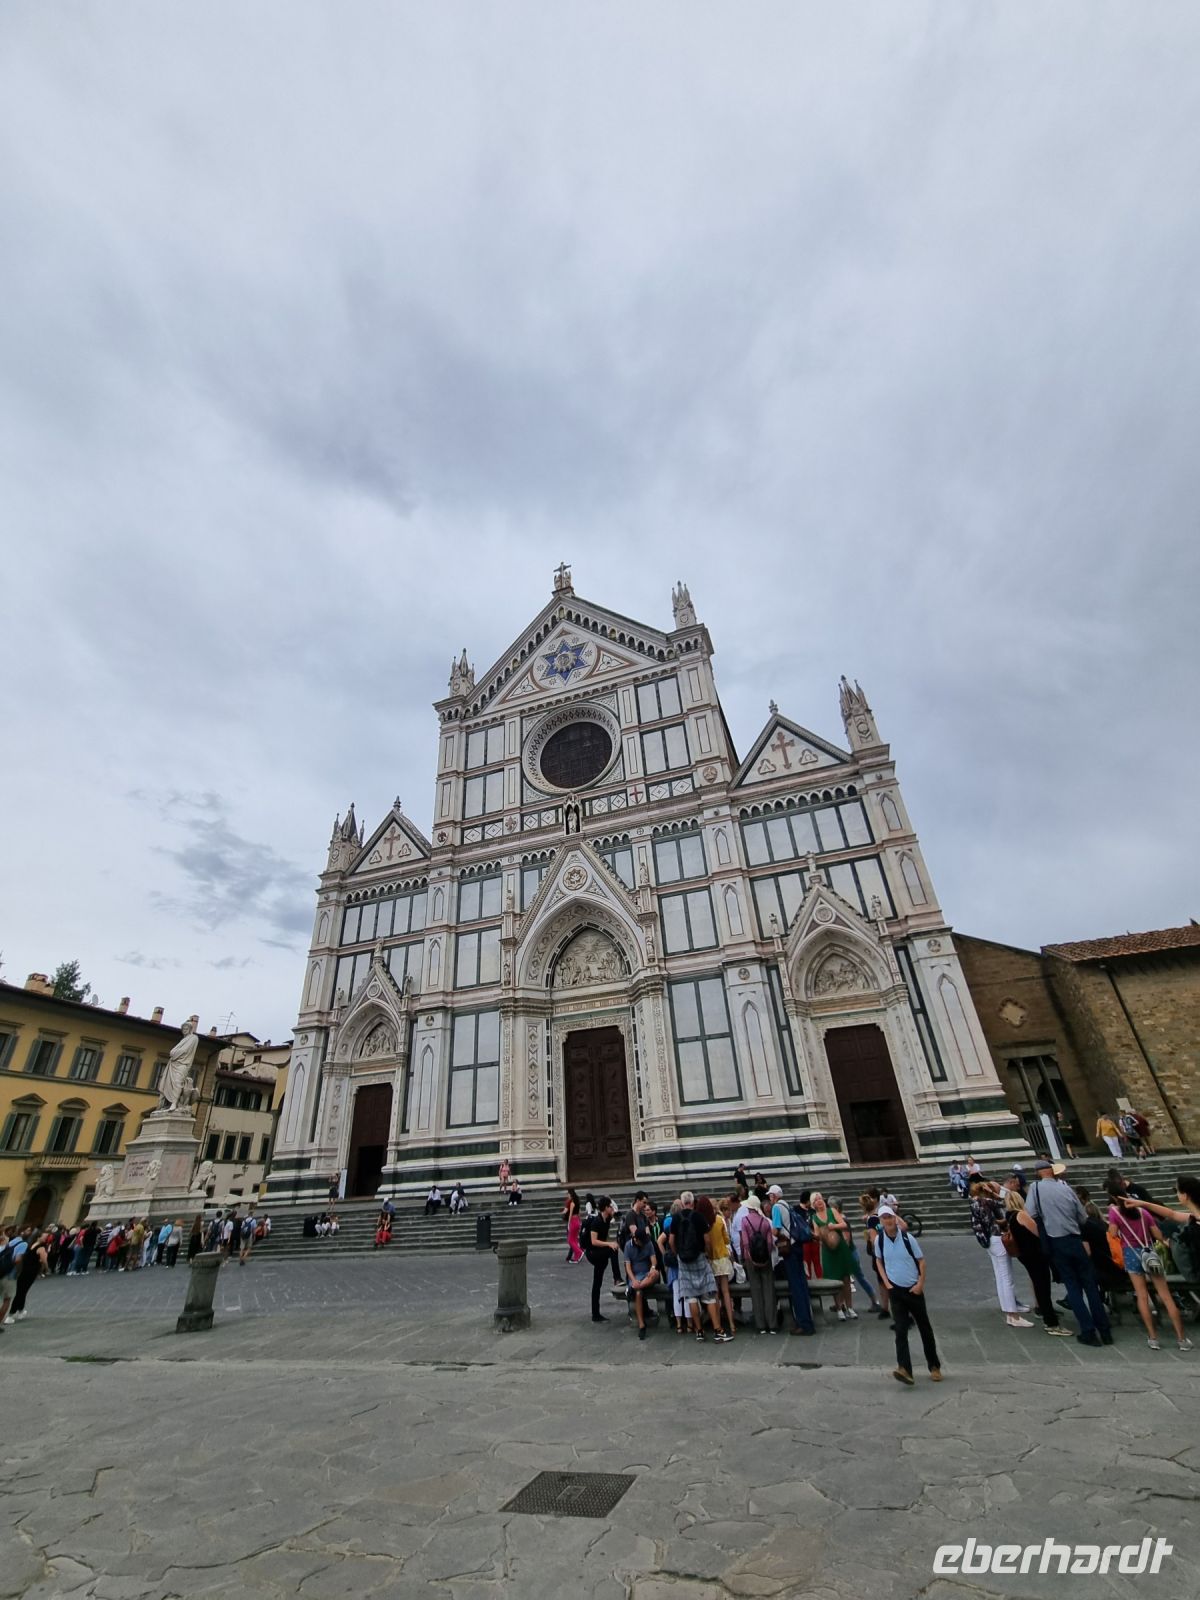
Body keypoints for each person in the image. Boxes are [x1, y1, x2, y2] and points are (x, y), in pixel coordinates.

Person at [1025, 1157, 1112, 1348]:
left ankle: (1088, 1332)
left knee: (1073, 1287)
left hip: (1057, 1242)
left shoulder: (1036, 1189)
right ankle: (1105, 1332)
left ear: (1039, 1173)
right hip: (1076, 1240)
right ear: (1052, 1171)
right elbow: (1082, 1217)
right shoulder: (1065, 1188)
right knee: (1091, 1287)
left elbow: (1030, 1213)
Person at [1108, 1194, 1192, 1351]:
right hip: (1150, 1254)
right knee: (1166, 1296)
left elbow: (1112, 1233)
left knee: (1142, 1295)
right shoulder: (1143, 1212)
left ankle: (1153, 1337)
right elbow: (1158, 1235)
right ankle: (1181, 1339)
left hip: (1131, 1254)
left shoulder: (1115, 1213)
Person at [873, 1206, 942, 1385]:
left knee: (924, 1328)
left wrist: (920, 1283)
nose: (887, 1221)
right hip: (895, 1290)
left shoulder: (907, 1238)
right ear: (880, 1221)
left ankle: (934, 1366)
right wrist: (887, 1283)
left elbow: (921, 1261)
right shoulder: (879, 1240)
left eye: (889, 1217)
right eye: (884, 1218)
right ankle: (904, 1368)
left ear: (895, 1218)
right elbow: (879, 1261)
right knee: (900, 1330)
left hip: (913, 1288)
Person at [1002, 1177, 1070, 1336]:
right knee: (1042, 1286)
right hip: (1034, 1254)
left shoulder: (1009, 1215)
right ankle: (1051, 1321)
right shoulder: (1021, 1215)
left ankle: (1047, 1314)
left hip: (1025, 1255)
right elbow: (1038, 1233)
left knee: (1039, 1285)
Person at [969, 1178, 1033, 1328]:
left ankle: (1010, 1308)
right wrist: (995, 1193)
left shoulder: (975, 1202)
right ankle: (1012, 1315)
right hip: (998, 1239)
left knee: (1000, 1277)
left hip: (989, 1240)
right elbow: (1007, 1201)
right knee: (1006, 1278)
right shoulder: (987, 1201)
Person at [674, 1191, 728, 1343]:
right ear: (692, 1202)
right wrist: (707, 1252)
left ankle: (699, 1331)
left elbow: (671, 1240)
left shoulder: (676, 1218)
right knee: (709, 1294)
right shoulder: (699, 1217)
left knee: (691, 1297)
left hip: (683, 1260)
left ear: (683, 1202)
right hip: (699, 1257)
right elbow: (707, 1239)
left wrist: (677, 1253)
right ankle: (718, 1330)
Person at [768, 1184, 815, 1336]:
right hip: (798, 1246)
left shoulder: (776, 1208)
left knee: (795, 1287)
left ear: (774, 1196)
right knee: (802, 1283)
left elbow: (775, 1229)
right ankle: (808, 1320)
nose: (770, 1198)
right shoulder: (788, 1206)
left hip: (788, 1248)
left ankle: (803, 1324)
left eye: (770, 1196)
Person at [810, 1191, 854, 1319]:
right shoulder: (815, 1217)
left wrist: (833, 1226)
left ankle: (850, 1307)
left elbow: (844, 1224)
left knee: (846, 1278)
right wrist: (815, 1235)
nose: (819, 1201)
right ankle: (839, 1308)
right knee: (835, 1279)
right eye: (816, 1200)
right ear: (814, 1204)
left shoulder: (832, 1211)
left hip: (840, 1247)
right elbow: (817, 1234)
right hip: (828, 1249)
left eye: (820, 1198)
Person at [739, 1194, 777, 1334]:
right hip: (765, 1259)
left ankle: (760, 1325)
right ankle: (772, 1323)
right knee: (768, 1290)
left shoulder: (745, 1221)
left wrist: (748, 1257)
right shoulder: (765, 1222)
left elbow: (745, 1242)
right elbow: (769, 1243)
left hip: (751, 1259)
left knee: (756, 1291)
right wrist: (765, 1257)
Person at [623, 1212, 661, 1340]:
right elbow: (628, 1267)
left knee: (655, 1274)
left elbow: (654, 1261)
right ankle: (641, 1324)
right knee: (639, 1293)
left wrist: (652, 1268)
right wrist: (633, 1280)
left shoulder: (648, 1243)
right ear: (636, 1239)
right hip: (636, 1275)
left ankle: (635, 1287)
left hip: (647, 1274)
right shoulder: (628, 1246)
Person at [581, 1196, 619, 1323]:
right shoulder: (596, 1221)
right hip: (592, 1253)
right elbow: (594, 1241)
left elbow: (605, 1235)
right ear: (606, 1208)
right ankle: (617, 1277)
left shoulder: (606, 1219)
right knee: (612, 1250)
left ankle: (595, 1314)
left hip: (599, 1252)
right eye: (610, 1206)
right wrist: (609, 1244)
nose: (612, 1208)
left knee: (597, 1283)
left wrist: (610, 1242)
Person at [9, 1229, 49, 1321]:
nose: (46, 1238)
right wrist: (47, 1268)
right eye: (44, 1237)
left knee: (21, 1291)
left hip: (24, 1271)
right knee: (21, 1292)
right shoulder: (41, 1247)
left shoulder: (30, 1244)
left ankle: (20, 1310)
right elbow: (44, 1260)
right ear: (39, 1237)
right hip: (31, 1272)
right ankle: (11, 1313)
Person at [0, 1226, 28, 1326]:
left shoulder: (8, 1245)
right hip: (9, 1274)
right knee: (7, 1299)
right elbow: (17, 1259)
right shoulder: (19, 1244)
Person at [563, 1188, 583, 1264]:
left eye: (568, 1194)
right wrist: (580, 1221)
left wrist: (569, 1223)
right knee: (574, 1240)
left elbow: (570, 1214)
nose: (567, 1195)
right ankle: (576, 1257)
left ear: (570, 1194)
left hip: (573, 1221)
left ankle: (579, 1252)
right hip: (577, 1221)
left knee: (570, 1240)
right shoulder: (577, 1202)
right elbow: (579, 1213)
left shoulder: (572, 1203)